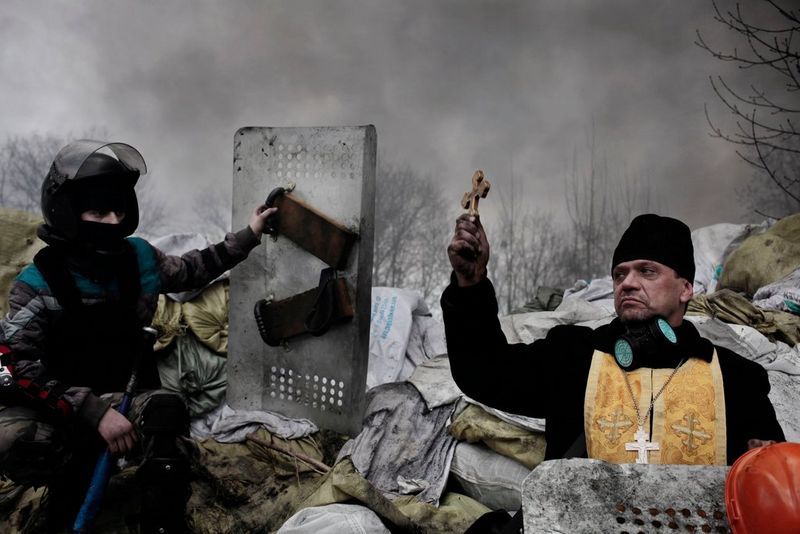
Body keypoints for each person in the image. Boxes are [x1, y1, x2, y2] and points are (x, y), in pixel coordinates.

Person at [0, 140, 276, 532]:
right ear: (67, 213)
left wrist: (249, 234)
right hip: (62, 409)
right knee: (20, 444)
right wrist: (93, 415)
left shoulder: (141, 258)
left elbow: (194, 269)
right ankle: (67, 490)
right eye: (98, 211)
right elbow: (20, 366)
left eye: (119, 210)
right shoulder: (37, 284)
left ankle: (160, 524)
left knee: (167, 412)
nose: (113, 221)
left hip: (128, 397)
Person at [442, 212, 784, 466]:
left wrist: (765, 461)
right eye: (620, 274)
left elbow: (768, 482)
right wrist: (470, 282)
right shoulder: (572, 358)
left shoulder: (736, 379)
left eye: (647, 271)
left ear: (686, 288)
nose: (628, 283)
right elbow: (483, 371)